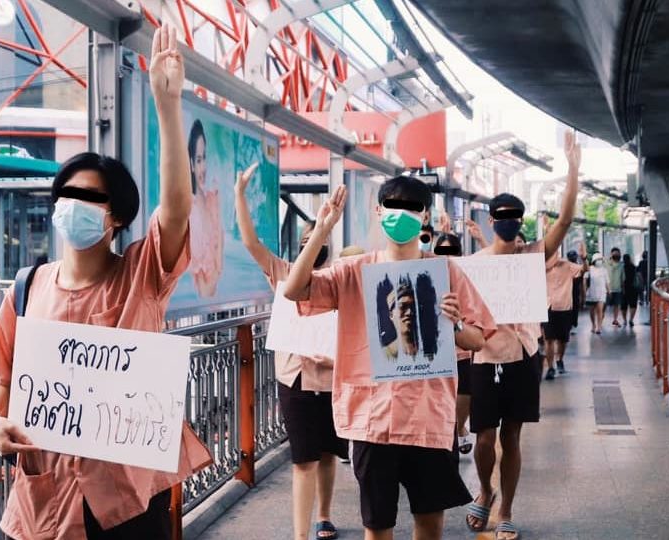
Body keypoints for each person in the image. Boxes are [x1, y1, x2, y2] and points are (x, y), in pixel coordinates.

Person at [0, 26, 211, 540]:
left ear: (116, 217)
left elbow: (176, 210)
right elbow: (0, 386)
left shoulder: (140, 275)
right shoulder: (25, 289)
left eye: (90, 199)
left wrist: (168, 108)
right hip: (41, 505)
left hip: (125, 502)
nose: (74, 205)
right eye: (67, 193)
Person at [283, 176, 497, 540]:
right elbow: (294, 290)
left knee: (430, 524)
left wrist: (454, 323)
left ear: (424, 214)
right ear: (379, 211)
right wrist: (321, 231)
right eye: (393, 205)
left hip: (428, 419)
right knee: (377, 526)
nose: (402, 214)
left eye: (412, 207)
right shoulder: (354, 272)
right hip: (373, 421)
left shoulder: (446, 272)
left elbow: (478, 337)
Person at [464, 131, 581, 540]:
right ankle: (484, 490)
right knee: (483, 437)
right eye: (504, 215)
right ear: (492, 221)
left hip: (523, 357)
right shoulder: (474, 265)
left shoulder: (532, 256)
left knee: (512, 435)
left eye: (517, 215)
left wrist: (572, 169)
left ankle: (507, 509)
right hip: (485, 358)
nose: (511, 222)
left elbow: (565, 220)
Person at [235, 164, 347, 540]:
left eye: (319, 243)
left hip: (333, 379)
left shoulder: (339, 279)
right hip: (295, 379)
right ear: (300, 249)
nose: (312, 251)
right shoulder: (282, 273)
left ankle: (325, 516)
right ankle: (301, 534)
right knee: (303, 459)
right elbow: (250, 242)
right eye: (306, 244)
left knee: (329, 453)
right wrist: (238, 196)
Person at [433, 232, 474, 455]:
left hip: (462, 349)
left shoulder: (464, 277)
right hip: (437, 351)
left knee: (465, 392)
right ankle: (451, 433)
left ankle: (458, 427)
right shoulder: (425, 272)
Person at [186, 117, 223, 297]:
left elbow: (220, 237)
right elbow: (204, 291)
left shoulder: (212, 198)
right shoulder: (189, 211)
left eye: (204, 158)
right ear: (191, 164)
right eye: (198, 160)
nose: (203, 167)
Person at [542, 243, 587, 379]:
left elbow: (584, 270)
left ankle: (559, 359)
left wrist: (584, 258)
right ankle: (550, 368)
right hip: (547, 307)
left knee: (562, 339)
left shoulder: (567, 265)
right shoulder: (541, 267)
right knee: (548, 339)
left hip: (564, 307)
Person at [585, 253, 609, 334]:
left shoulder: (604, 270)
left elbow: (607, 282)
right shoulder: (589, 269)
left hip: (602, 293)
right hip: (591, 293)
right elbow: (585, 280)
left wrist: (609, 291)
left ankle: (599, 327)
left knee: (600, 310)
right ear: (594, 261)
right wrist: (584, 291)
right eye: (598, 259)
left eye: (601, 260)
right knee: (592, 311)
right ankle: (593, 325)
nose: (599, 261)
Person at [566, 249, 585, 332]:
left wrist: (583, 294)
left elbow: (582, 282)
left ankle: (573, 324)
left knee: (575, 308)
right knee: (568, 309)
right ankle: (569, 325)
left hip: (575, 291)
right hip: (566, 291)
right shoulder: (565, 267)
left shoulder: (579, 268)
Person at [606, 247, 625, 327]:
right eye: (614, 253)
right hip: (607, 289)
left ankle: (615, 319)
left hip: (617, 289)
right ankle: (600, 319)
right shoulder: (607, 263)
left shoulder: (621, 265)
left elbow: (622, 278)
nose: (616, 255)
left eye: (618, 253)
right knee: (603, 305)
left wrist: (623, 289)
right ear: (611, 254)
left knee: (616, 305)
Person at [621, 253, 640, 327]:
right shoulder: (634, 267)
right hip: (633, 288)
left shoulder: (622, 268)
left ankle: (624, 320)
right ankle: (631, 319)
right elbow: (638, 276)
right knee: (633, 304)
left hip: (624, 288)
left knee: (624, 305)